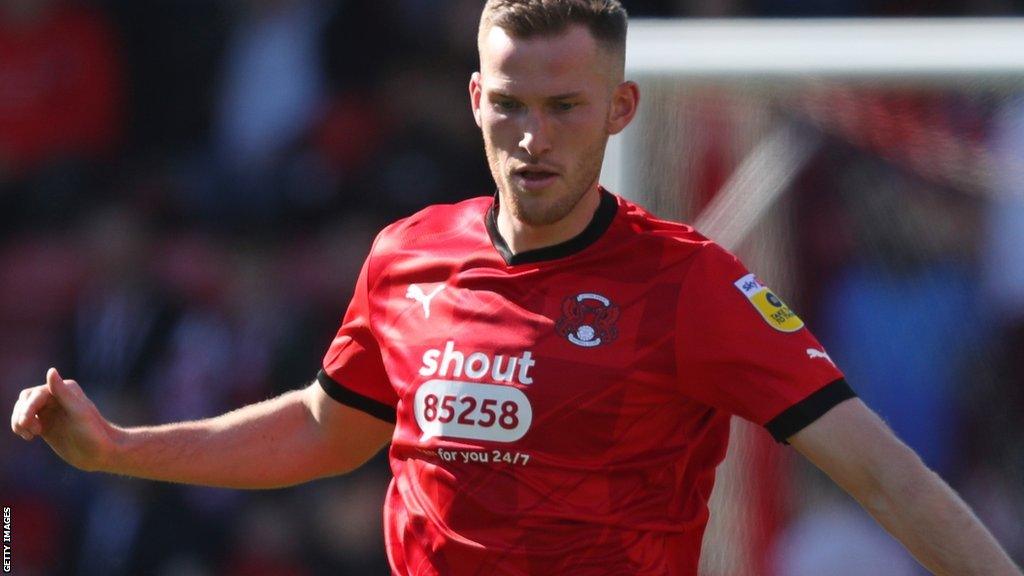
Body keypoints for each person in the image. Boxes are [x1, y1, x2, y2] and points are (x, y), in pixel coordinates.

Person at [10, 1, 1022, 574]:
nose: (532, 137)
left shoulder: (689, 283)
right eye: (508, 106)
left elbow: (882, 472)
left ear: (621, 108)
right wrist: (121, 450)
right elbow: (328, 428)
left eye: (564, 107)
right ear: (473, 101)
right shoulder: (408, 255)